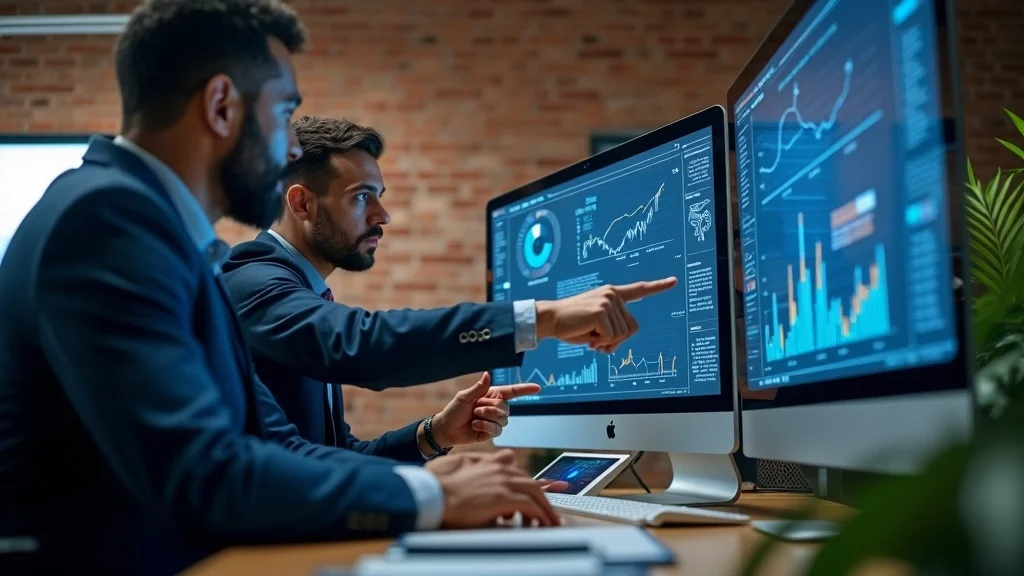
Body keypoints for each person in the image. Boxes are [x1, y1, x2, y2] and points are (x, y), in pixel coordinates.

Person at [0, 2, 559, 574]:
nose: (291, 150)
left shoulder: (162, 239)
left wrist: (432, 454)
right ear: (220, 105)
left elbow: (276, 448)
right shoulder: (109, 221)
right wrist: (430, 496)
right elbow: (207, 476)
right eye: (283, 111)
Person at [220, 115, 679, 451]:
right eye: (362, 198)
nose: (383, 217)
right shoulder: (252, 281)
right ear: (300, 204)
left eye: (379, 197)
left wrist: (434, 433)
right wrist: (547, 316)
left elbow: (335, 457)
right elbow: (362, 345)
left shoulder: (299, 291)